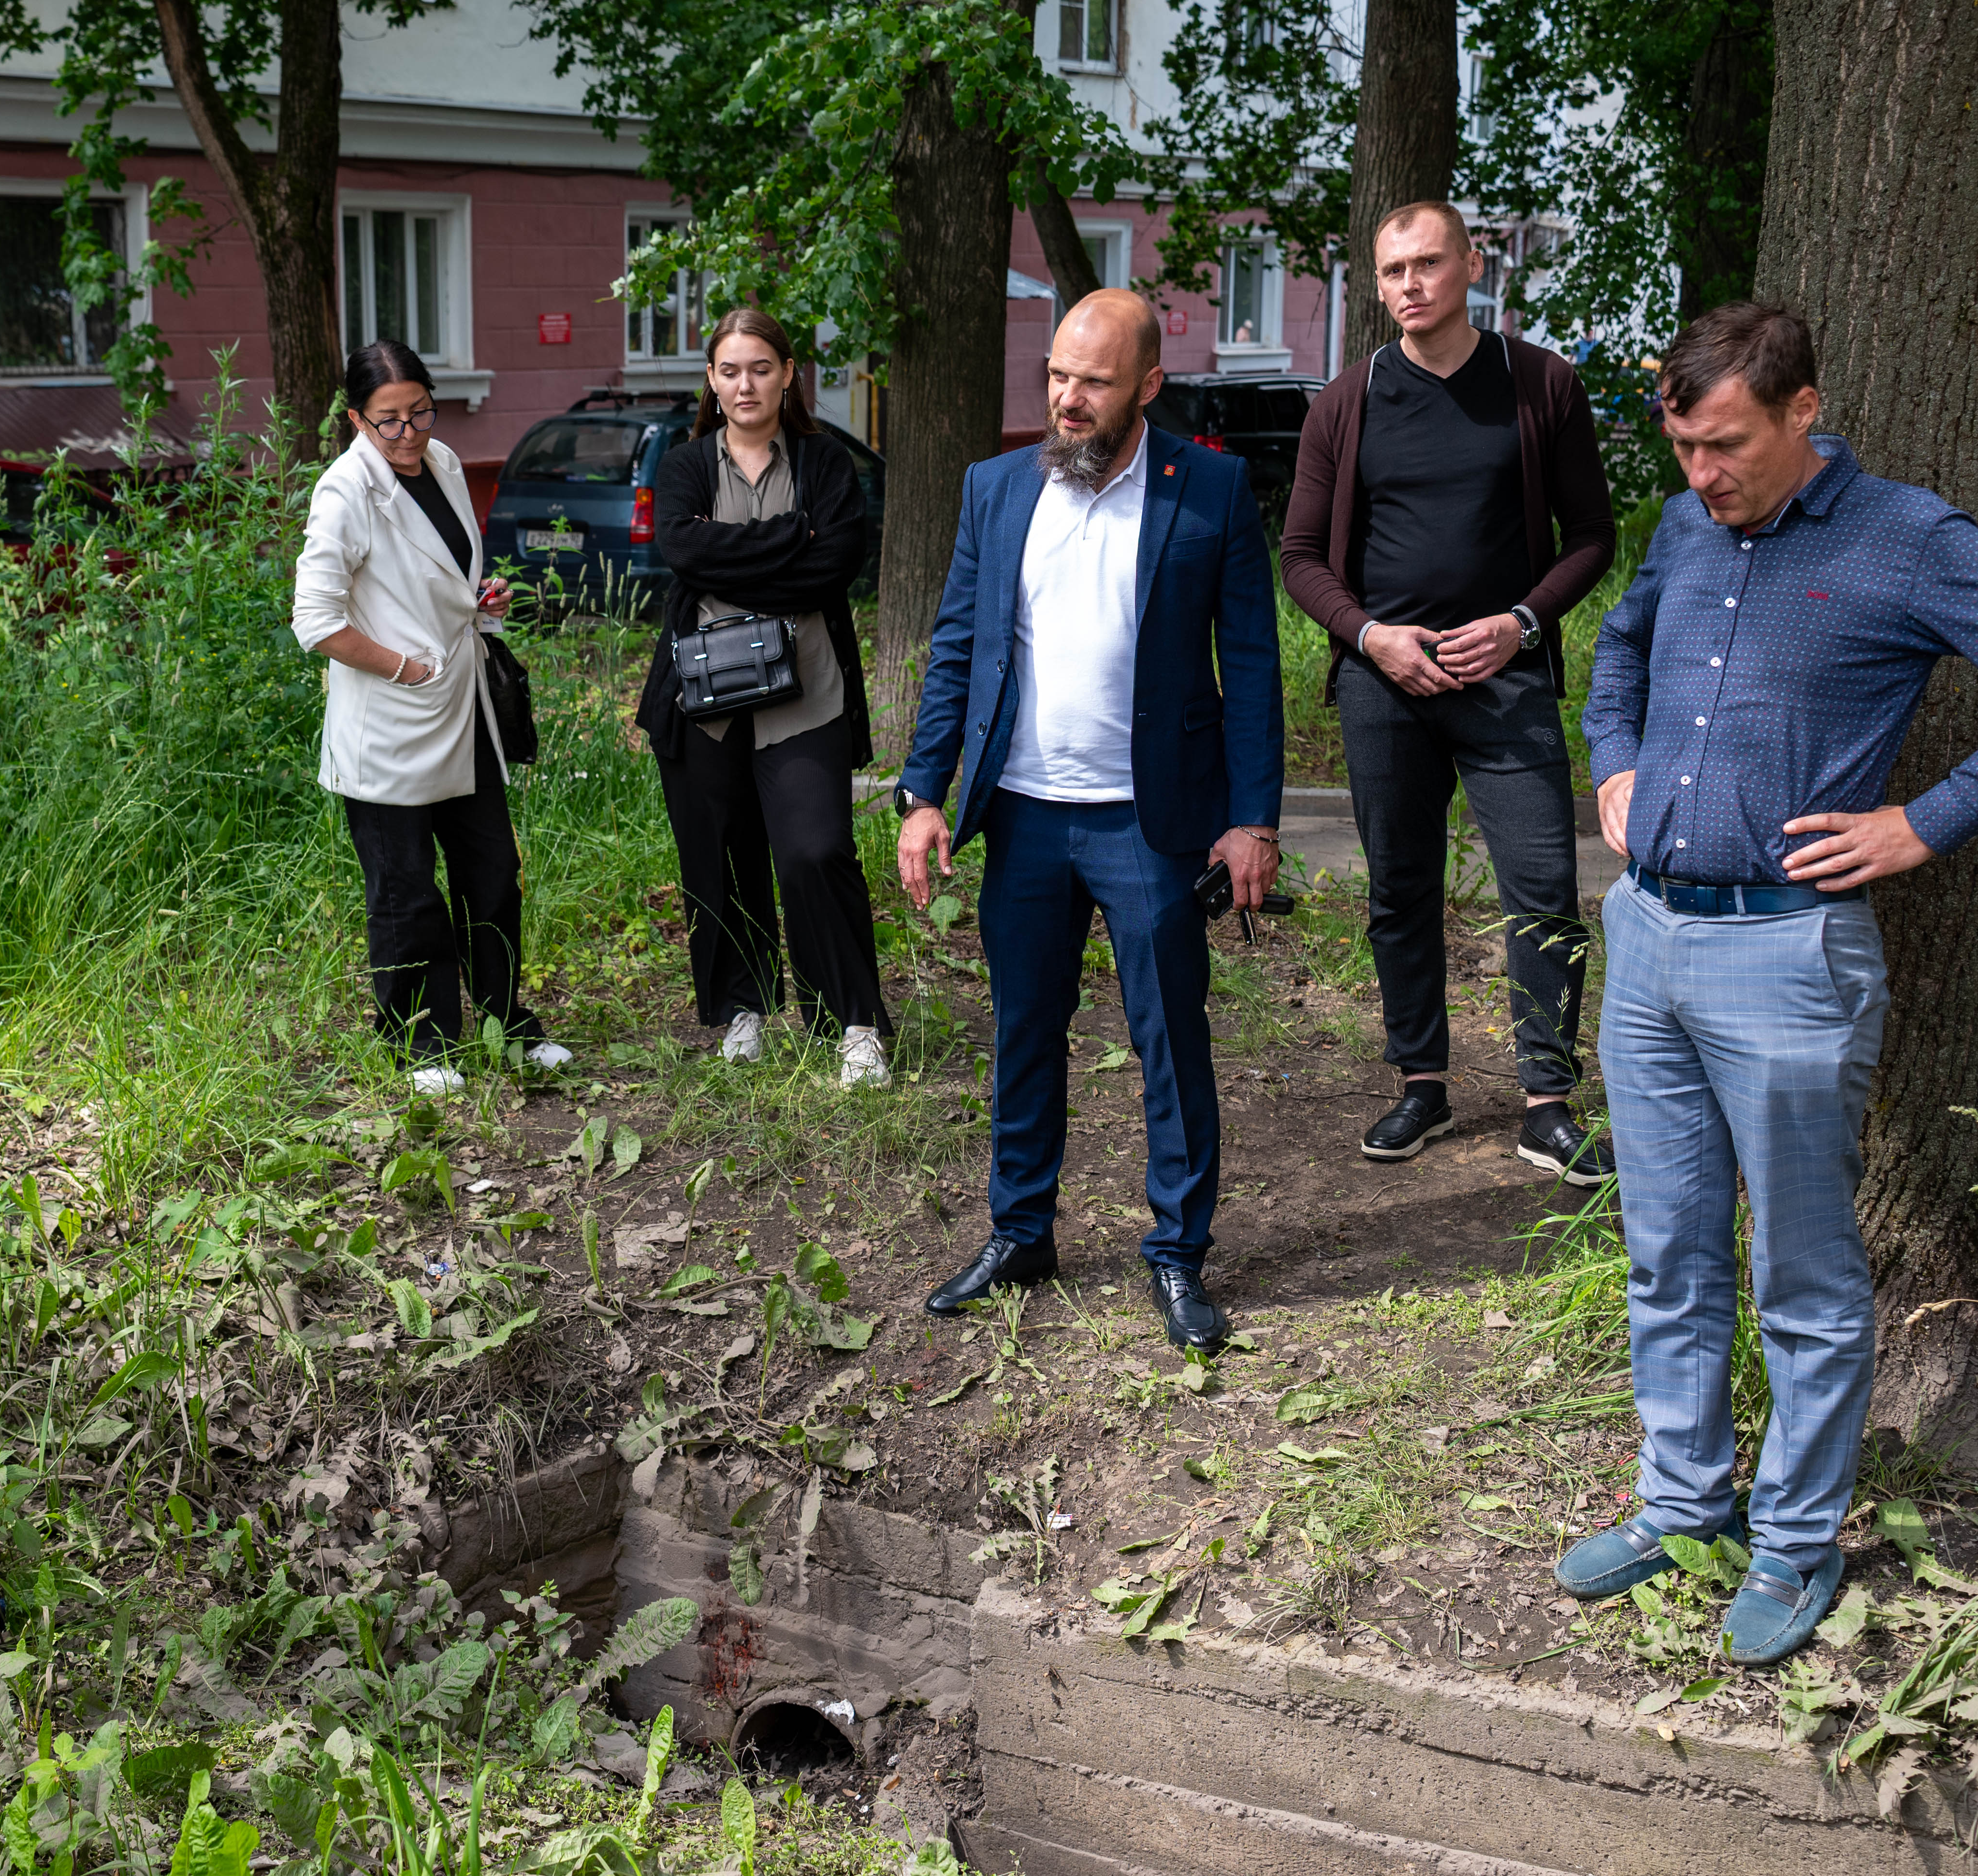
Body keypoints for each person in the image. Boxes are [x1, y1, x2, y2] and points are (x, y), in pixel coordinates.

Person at [1559, 302, 1978, 1663]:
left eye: (1728, 445)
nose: (1703, 476)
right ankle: (1683, 1503)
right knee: (1667, 1252)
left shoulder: (1906, 539)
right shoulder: (1690, 525)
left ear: (1804, 411)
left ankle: (1798, 1541)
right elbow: (1621, 644)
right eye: (1684, 448)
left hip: (1789, 956)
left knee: (1800, 1273)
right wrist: (1615, 760)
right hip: (1648, 938)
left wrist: (1923, 823)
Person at [897, 289, 1283, 1344]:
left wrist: (1251, 817)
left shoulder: (1207, 490)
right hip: (1022, 817)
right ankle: (1019, 1232)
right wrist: (922, 793)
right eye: (1058, 376)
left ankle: (1176, 1254)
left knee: (1170, 1040)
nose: (1067, 399)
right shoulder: (994, 489)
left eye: (1094, 382)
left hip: (1148, 825)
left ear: (1147, 386)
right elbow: (957, 650)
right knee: (1023, 1032)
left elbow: (1248, 666)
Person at [1281, 201, 1619, 1184]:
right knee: (1399, 888)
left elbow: (1591, 536)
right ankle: (1419, 1083)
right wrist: (1369, 637)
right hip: (1385, 684)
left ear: (1471, 264)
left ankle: (1545, 1105)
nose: (1408, 285)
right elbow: (1300, 557)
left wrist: (1520, 621)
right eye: (1391, 272)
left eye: (1426, 263)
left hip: (1503, 677)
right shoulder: (1343, 404)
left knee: (1544, 892)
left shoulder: (1537, 384)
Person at [292, 340, 573, 1095]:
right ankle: (421, 1043)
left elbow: (437, 574)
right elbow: (315, 622)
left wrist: (473, 603)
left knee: (493, 878)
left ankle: (504, 1019)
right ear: (356, 420)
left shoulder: (444, 465)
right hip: (389, 722)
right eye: (389, 421)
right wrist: (403, 665)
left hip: (465, 709)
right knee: (406, 892)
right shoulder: (344, 491)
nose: (410, 433)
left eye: (420, 412)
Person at [637, 307, 891, 1086]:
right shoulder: (685, 465)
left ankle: (852, 1021)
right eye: (728, 370)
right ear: (711, 381)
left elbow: (836, 564)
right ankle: (743, 1007)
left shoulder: (823, 463)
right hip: (703, 701)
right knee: (719, 856)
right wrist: (791, 538)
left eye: (760, 368)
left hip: (807, 690)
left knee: (816, 851)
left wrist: (731, 558)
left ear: (788, 374)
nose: (744, 384)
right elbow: (681, 551)